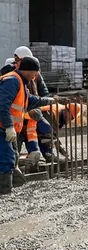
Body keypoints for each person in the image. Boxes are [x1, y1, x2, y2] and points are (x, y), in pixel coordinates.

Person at [0, 57, 55, 195]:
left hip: (7, 129)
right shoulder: (12, 81)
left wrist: (47, 100)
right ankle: (4, 192)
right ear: (28, 70)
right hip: (3, 128)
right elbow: (2, 105)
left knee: (12, 157)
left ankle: (14, 185)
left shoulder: (21, 82)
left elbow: (29, 100)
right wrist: (8, 127)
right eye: (35, 72)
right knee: (6, 159)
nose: (35, 76)